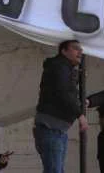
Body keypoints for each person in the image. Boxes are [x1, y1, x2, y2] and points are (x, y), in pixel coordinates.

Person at [33, 40, 86, 173]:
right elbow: (63, 92)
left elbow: (64, 92)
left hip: (57, 130)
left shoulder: (64, 68)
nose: (80, 52)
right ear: (64, 51)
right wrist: (80, 114)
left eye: (80, 49)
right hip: (51, 129)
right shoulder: (60, 66)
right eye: (75, 48)